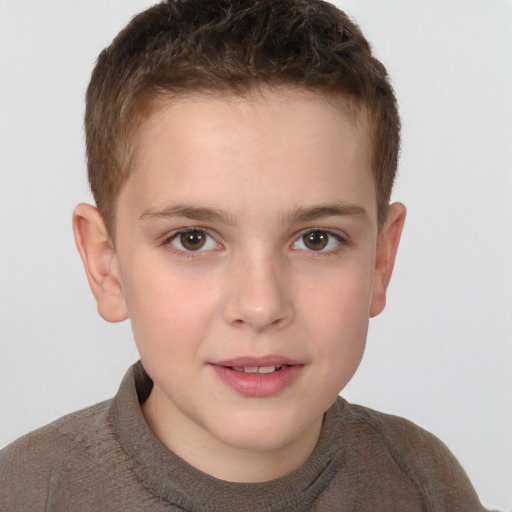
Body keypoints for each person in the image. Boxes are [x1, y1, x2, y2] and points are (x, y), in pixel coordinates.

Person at [0, 0, 490, 510]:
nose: (259, 306)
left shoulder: (426, 483)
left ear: (379, 262)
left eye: (317, 239)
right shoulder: (23, 492)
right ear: (107, 266)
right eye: (193, 239)